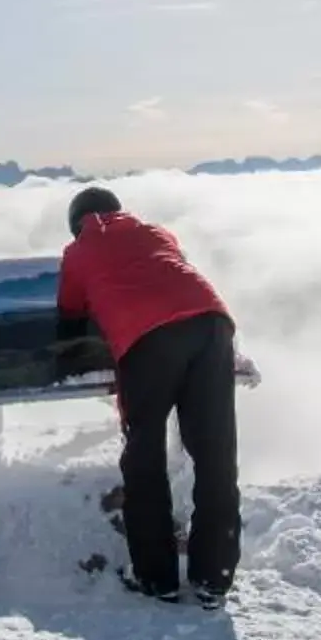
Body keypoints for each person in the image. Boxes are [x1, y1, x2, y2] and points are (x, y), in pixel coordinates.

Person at [56, 186, 239, 608]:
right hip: (212, 324)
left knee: (145, 455)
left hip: (148, 338)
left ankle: (157, 577)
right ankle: (214, 577)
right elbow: (172, 276)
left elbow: (69, 315)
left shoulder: (78, 250)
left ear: (76, 223)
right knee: (215, 452)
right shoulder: (157, 232)